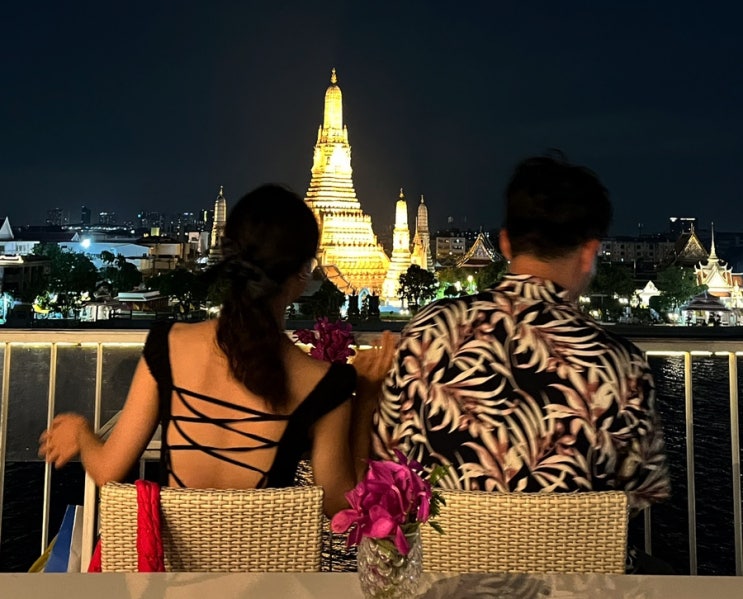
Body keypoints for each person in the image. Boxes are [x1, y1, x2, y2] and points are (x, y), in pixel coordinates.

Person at [39, 184, 383, 517]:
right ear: (303, 273)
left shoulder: (167, 346)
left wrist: (82, 432)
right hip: (265, 558)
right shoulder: (325, 384)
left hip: (169, 559)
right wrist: (367, 397)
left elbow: (108, 470)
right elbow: (341, 504)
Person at [373, 155, 670, 515]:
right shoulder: (621, 363)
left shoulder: (427, 332)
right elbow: (639, 494)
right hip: (572, 551)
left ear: (505, 244)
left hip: (443, 551)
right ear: (589, 253)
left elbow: (386, 461)